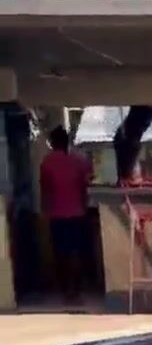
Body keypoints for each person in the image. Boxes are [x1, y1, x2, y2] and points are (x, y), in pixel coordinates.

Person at [39, 125, 93, 305]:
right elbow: (86, 186)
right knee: (77, 252)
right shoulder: (79, 161)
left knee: (61, 253)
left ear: (53, 142)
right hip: (78, 213)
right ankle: (76, 290)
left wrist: (45, 212)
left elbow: (45, 191)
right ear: (67, 142)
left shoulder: (47, 162)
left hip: (57, 215)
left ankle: (65, 291)